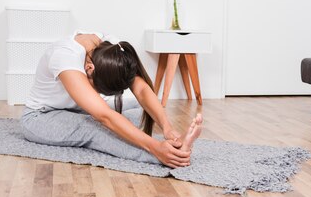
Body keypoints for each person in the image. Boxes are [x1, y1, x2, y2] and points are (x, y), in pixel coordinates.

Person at [21, 31, 202, 168]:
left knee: (138, 109)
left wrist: (166, 127)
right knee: (94, 127)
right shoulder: (65, 57)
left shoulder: (107, 48)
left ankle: (166, 146)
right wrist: (154, 147)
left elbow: (140, 89)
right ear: (89, 68)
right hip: (41, 117)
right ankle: (166, 156)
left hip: (77, 109)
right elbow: (104, 116)